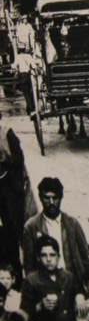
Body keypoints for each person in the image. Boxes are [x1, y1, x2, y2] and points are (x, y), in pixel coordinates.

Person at [21, 235, 78, 321]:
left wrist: (80, 296)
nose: (48, 259)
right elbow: (24, 313)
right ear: (38, 258)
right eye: (44, 255)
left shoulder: (68, 277)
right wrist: (40, 306)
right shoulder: (32, 280)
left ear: (58, 256)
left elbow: (77, 292)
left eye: (52, 255)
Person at [22, 177, 89, 285]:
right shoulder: (31, 226)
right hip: (45, 284)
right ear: (40, 198)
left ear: (61, 198)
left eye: (55, 198)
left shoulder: (72, 224)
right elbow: (29, 266)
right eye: (47, 198)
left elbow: (85, 257)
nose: (51, 202)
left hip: (72, 283)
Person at [0, 113, 36, 276]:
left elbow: (19, 159)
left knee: (15, 229)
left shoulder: (7, 133)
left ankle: (22, 272)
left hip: (10, 188)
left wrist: (4, 160)